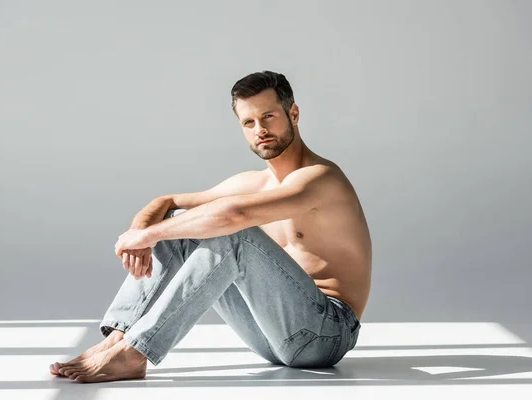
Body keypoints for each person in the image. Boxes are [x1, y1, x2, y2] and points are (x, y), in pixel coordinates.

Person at [49, 70, 372, 383]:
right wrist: (139, 235)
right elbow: (167, 201)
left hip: (327, 334)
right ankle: (118, 337)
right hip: (271, 336)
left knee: (230, 233)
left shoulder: (321, 178)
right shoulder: (253, 182)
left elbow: (233, 216)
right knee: (182, 226)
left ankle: (136, 353)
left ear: (294, 113)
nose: (259, 129)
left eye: (269, 116)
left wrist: (148, 234)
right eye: (249, 122)